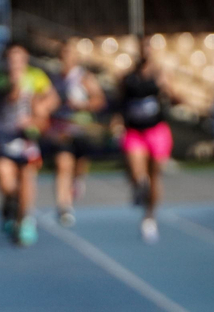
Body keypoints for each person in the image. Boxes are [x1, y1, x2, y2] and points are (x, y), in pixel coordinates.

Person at [0, 43, 57, 247]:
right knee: (5, 181)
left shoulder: (35, 79)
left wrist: (38, 115)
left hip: (26, 141)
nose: (14, 64)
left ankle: (24, 221)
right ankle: (11, 203)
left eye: (18, 59)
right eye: (10, 59)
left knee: (27, 180)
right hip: (4, 139)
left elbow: (50, 102)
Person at [44, 41, 108, 227]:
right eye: (63, 53)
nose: (66, 57)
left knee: (78, 167)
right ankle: (64, 207)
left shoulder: (84, 77)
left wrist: (82, 105)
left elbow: (100, 101)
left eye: (70, 53)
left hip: (81, 130)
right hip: (62, 130)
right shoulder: (54, 79)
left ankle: (77, 181)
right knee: (62, 165)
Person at [116, 54, 175, 244]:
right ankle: (139, 186)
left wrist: (167, 86)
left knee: (155, 175)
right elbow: (120, 102)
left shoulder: (159, 77)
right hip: (135, 131)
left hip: (156, 131)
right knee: (139, 174)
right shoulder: (128, 80)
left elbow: (174, 96)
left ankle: (149, 216)